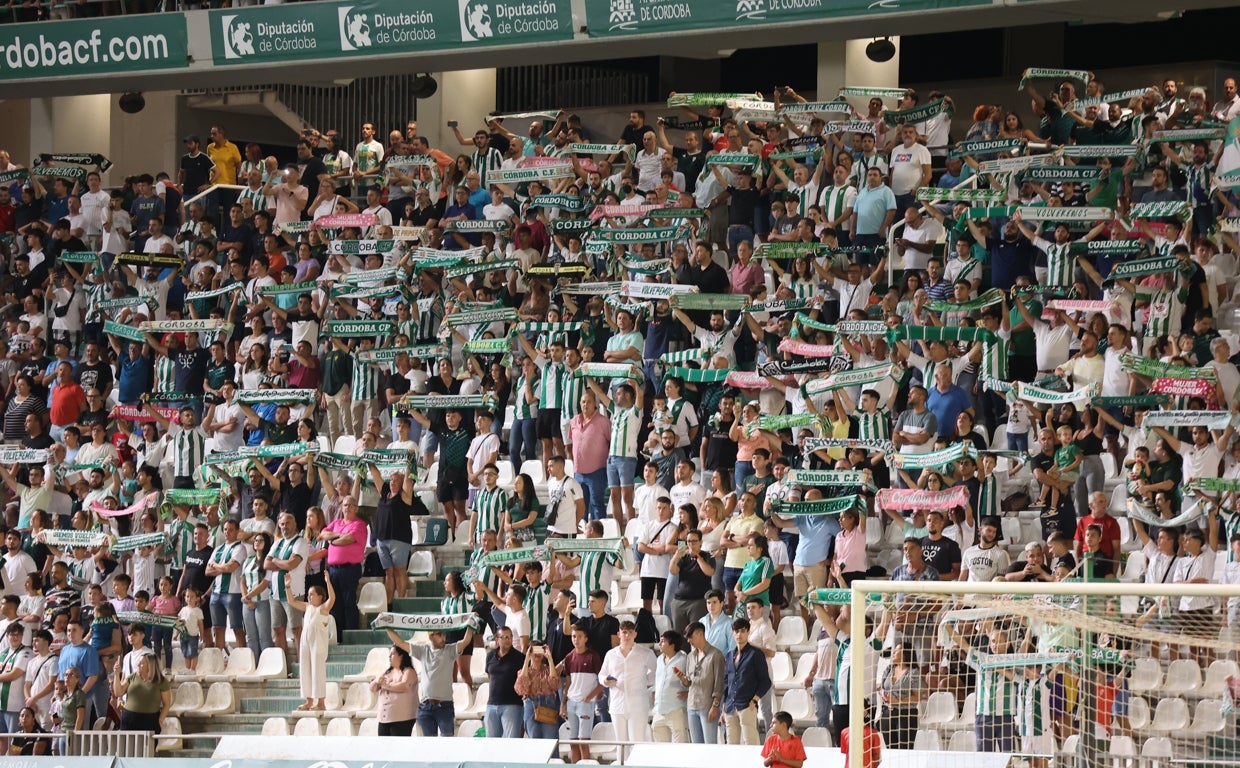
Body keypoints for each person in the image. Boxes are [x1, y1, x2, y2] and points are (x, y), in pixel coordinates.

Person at [385, 624, 477, 737]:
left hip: (444, 706)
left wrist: (470, 624)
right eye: (439, 634)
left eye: (444, 634)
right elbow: (401, 643)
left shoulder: (450, 650)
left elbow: (466, 640)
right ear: (430, 636)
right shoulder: (423, 650)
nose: (443, 637)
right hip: (425, 707)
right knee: (429, 745)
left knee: (447, 742)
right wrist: (387, 627)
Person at [598, 619, 657, 744]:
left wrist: (643, 682)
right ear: (619, 634)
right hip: (617, 704)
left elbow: (655, 674)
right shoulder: (611, 654)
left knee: (637, 742)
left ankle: (636, 764)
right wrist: (605, 681)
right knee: (620, 743)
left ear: (635, 634)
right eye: (624, 632)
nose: (627, 636)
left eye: (630, 632)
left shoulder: (645, 653)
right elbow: (602, 674)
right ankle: (621, 763)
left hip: (638, 705)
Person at [284, 570, 335, 711]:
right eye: (309, 594)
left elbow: (332, 599)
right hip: (305, 643)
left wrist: (328, 582)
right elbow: (291, 601)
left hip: (318, 645)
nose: (309, 596)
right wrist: (288, 586)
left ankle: (321, 703)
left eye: (312, 594)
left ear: (320, 597)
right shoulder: (307, 607)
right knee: (305, 670)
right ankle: (309, 701)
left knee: (317, 671)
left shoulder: (323, 609)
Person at [559, 624, 604, 763]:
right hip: (572, 702)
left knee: (583, 741)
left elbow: (602, 681)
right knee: (573, 742)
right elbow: (568, 682)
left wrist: (589, 697)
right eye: (573, 636)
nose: (576, 639)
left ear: (586, 638)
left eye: (579, 636)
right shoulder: (569, 658)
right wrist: (563, 704)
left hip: (586, 704)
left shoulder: (593, 656)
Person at [722, 617, 770, 745]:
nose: (739, 634)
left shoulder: (756, 654)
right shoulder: (729, 655)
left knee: (751, 743)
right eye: (736, 631)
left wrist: (755, 699)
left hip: (747, 704)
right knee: (731, 744)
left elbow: (765, 681)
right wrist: (724, 703)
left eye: (743, 631)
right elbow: (726, 681)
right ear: (733, 633)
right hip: (730, 705)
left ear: (748, 632)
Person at [111, 653, 171, 734]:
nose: (138, 664)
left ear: (150, 666)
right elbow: (118, 692)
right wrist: (116, 674)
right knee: (128, 746)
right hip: (129, 719)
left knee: (148, 746)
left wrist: (160, 720)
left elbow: (167, 704)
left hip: (150, 721)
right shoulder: (132, 676)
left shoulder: (161, 681)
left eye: (141, 663)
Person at [515, 641, 560, 740]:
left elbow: (555, 685)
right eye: (534, 650)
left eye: (540, 650)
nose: (537, 654)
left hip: (548, 705)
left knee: (550, 740)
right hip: (531, 705)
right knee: (534, 740)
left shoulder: (548, 670)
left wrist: (550, 658)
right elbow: (521, 689)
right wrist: (527, 658)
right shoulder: (523, 671)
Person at [370, 644, 418, 737]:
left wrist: (385, 685)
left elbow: (404, 686)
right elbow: (373, 688)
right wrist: (376, 681)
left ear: (401, 656)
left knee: (398, 747)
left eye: (392, 654)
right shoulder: (386, 672)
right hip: (384, 718)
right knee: (384, 746)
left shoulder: (409, 671)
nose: (389, 656)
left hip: (402, 718)